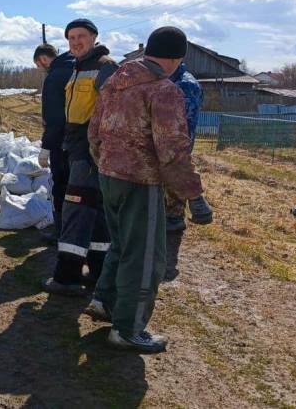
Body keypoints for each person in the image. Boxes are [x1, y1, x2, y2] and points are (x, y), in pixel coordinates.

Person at [84, 26, 213, 353]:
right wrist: (195, 197)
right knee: (145, 259)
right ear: (176, 59)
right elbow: (173, 152)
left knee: (122, 245)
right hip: (141, 184)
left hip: (108, 176)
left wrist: (107, 165)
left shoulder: (114, 82)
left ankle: (105, 302)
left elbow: (95, 132)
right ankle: (128, 330)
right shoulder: (163, 90)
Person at [42, 19, 117, 296]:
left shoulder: (105, 67)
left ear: (95, 37)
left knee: (75, 209)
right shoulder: (78, 67)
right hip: (77, 149)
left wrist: (95, 147)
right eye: (71, 37)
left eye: (81, 36)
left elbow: (112, 112)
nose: (75, 41)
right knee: (95, 214)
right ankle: (98, 273)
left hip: (90, 151)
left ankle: (67, 277)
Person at [164, 62, 205, 281]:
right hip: (155, 159)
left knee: (172, 213)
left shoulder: (186, 86)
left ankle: (167, 266)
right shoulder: (161, 77)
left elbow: (183, 132)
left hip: (174, 161)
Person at [34, 43, 75, 244]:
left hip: (61, 143)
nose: (40, 69)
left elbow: (54, 118)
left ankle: (61, 232)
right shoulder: (78, 66)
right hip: (82, 140)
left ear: (43, 59)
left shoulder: (54, 77)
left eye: (38, 65)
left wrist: (46, 146)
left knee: (60, 187)